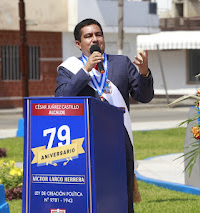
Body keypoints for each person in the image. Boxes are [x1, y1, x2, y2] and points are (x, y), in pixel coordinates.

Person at [55, 18, 154, 212]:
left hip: (119, 140)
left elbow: (144, 97)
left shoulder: (121, 63)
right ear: (78, 43)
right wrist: (86, 70)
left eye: (98, 34)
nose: (95, 39)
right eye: (88, 36)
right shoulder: (69, 69)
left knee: (121, 196)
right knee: (91, 196)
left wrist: (144, 74)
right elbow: (62, 97)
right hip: (85, 141)